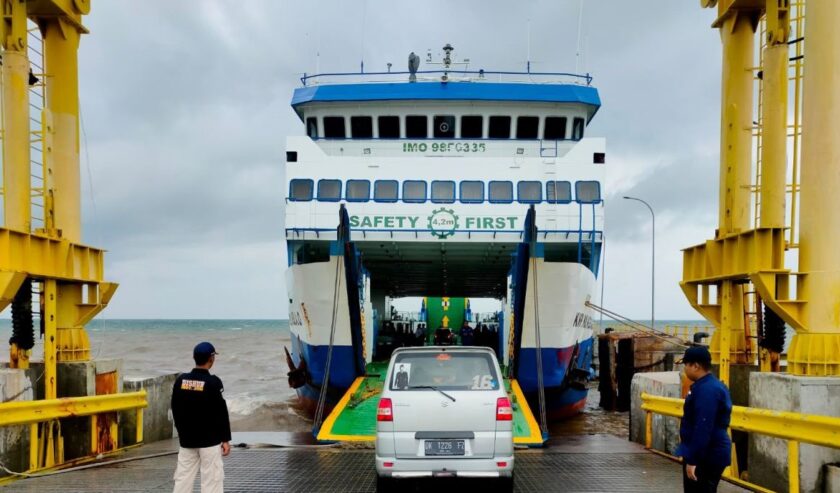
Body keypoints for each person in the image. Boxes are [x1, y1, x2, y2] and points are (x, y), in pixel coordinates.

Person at [172, 342, 231, 493]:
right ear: (211, 359)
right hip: (209, 442)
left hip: (187, 440)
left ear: (194, 357)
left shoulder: (181, 381)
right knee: (212, 481)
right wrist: (225, 439)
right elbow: (221, 412)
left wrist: (181, 433)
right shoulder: (213, 382)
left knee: (182, 480)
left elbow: (175, 408)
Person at [676, 346, 732, 493]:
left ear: (695, 366)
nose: (684, 370)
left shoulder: (707, 390)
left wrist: (693, 459)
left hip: (707, 454)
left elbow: (703, 425)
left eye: (686, 365)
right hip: (708, 451)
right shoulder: (710, 386)